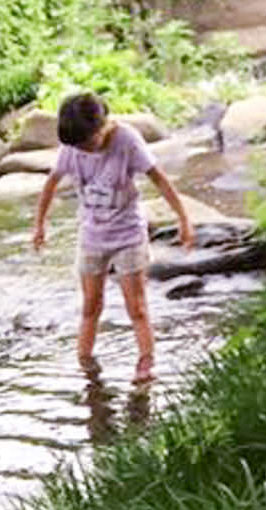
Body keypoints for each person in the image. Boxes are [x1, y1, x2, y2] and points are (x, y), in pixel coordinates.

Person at [32, 92, 195, 385]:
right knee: (91, 305)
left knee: (137, 306)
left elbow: (159, 178)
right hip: (92, 234)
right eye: (76, 146)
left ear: (102, 126)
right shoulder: (73, 146)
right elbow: (51, 183)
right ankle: (85, 366)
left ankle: (146, 363)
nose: (82, 150)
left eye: (87, 143)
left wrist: (184, 219)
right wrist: (39, 224)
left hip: (128, 234)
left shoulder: (127, 141)